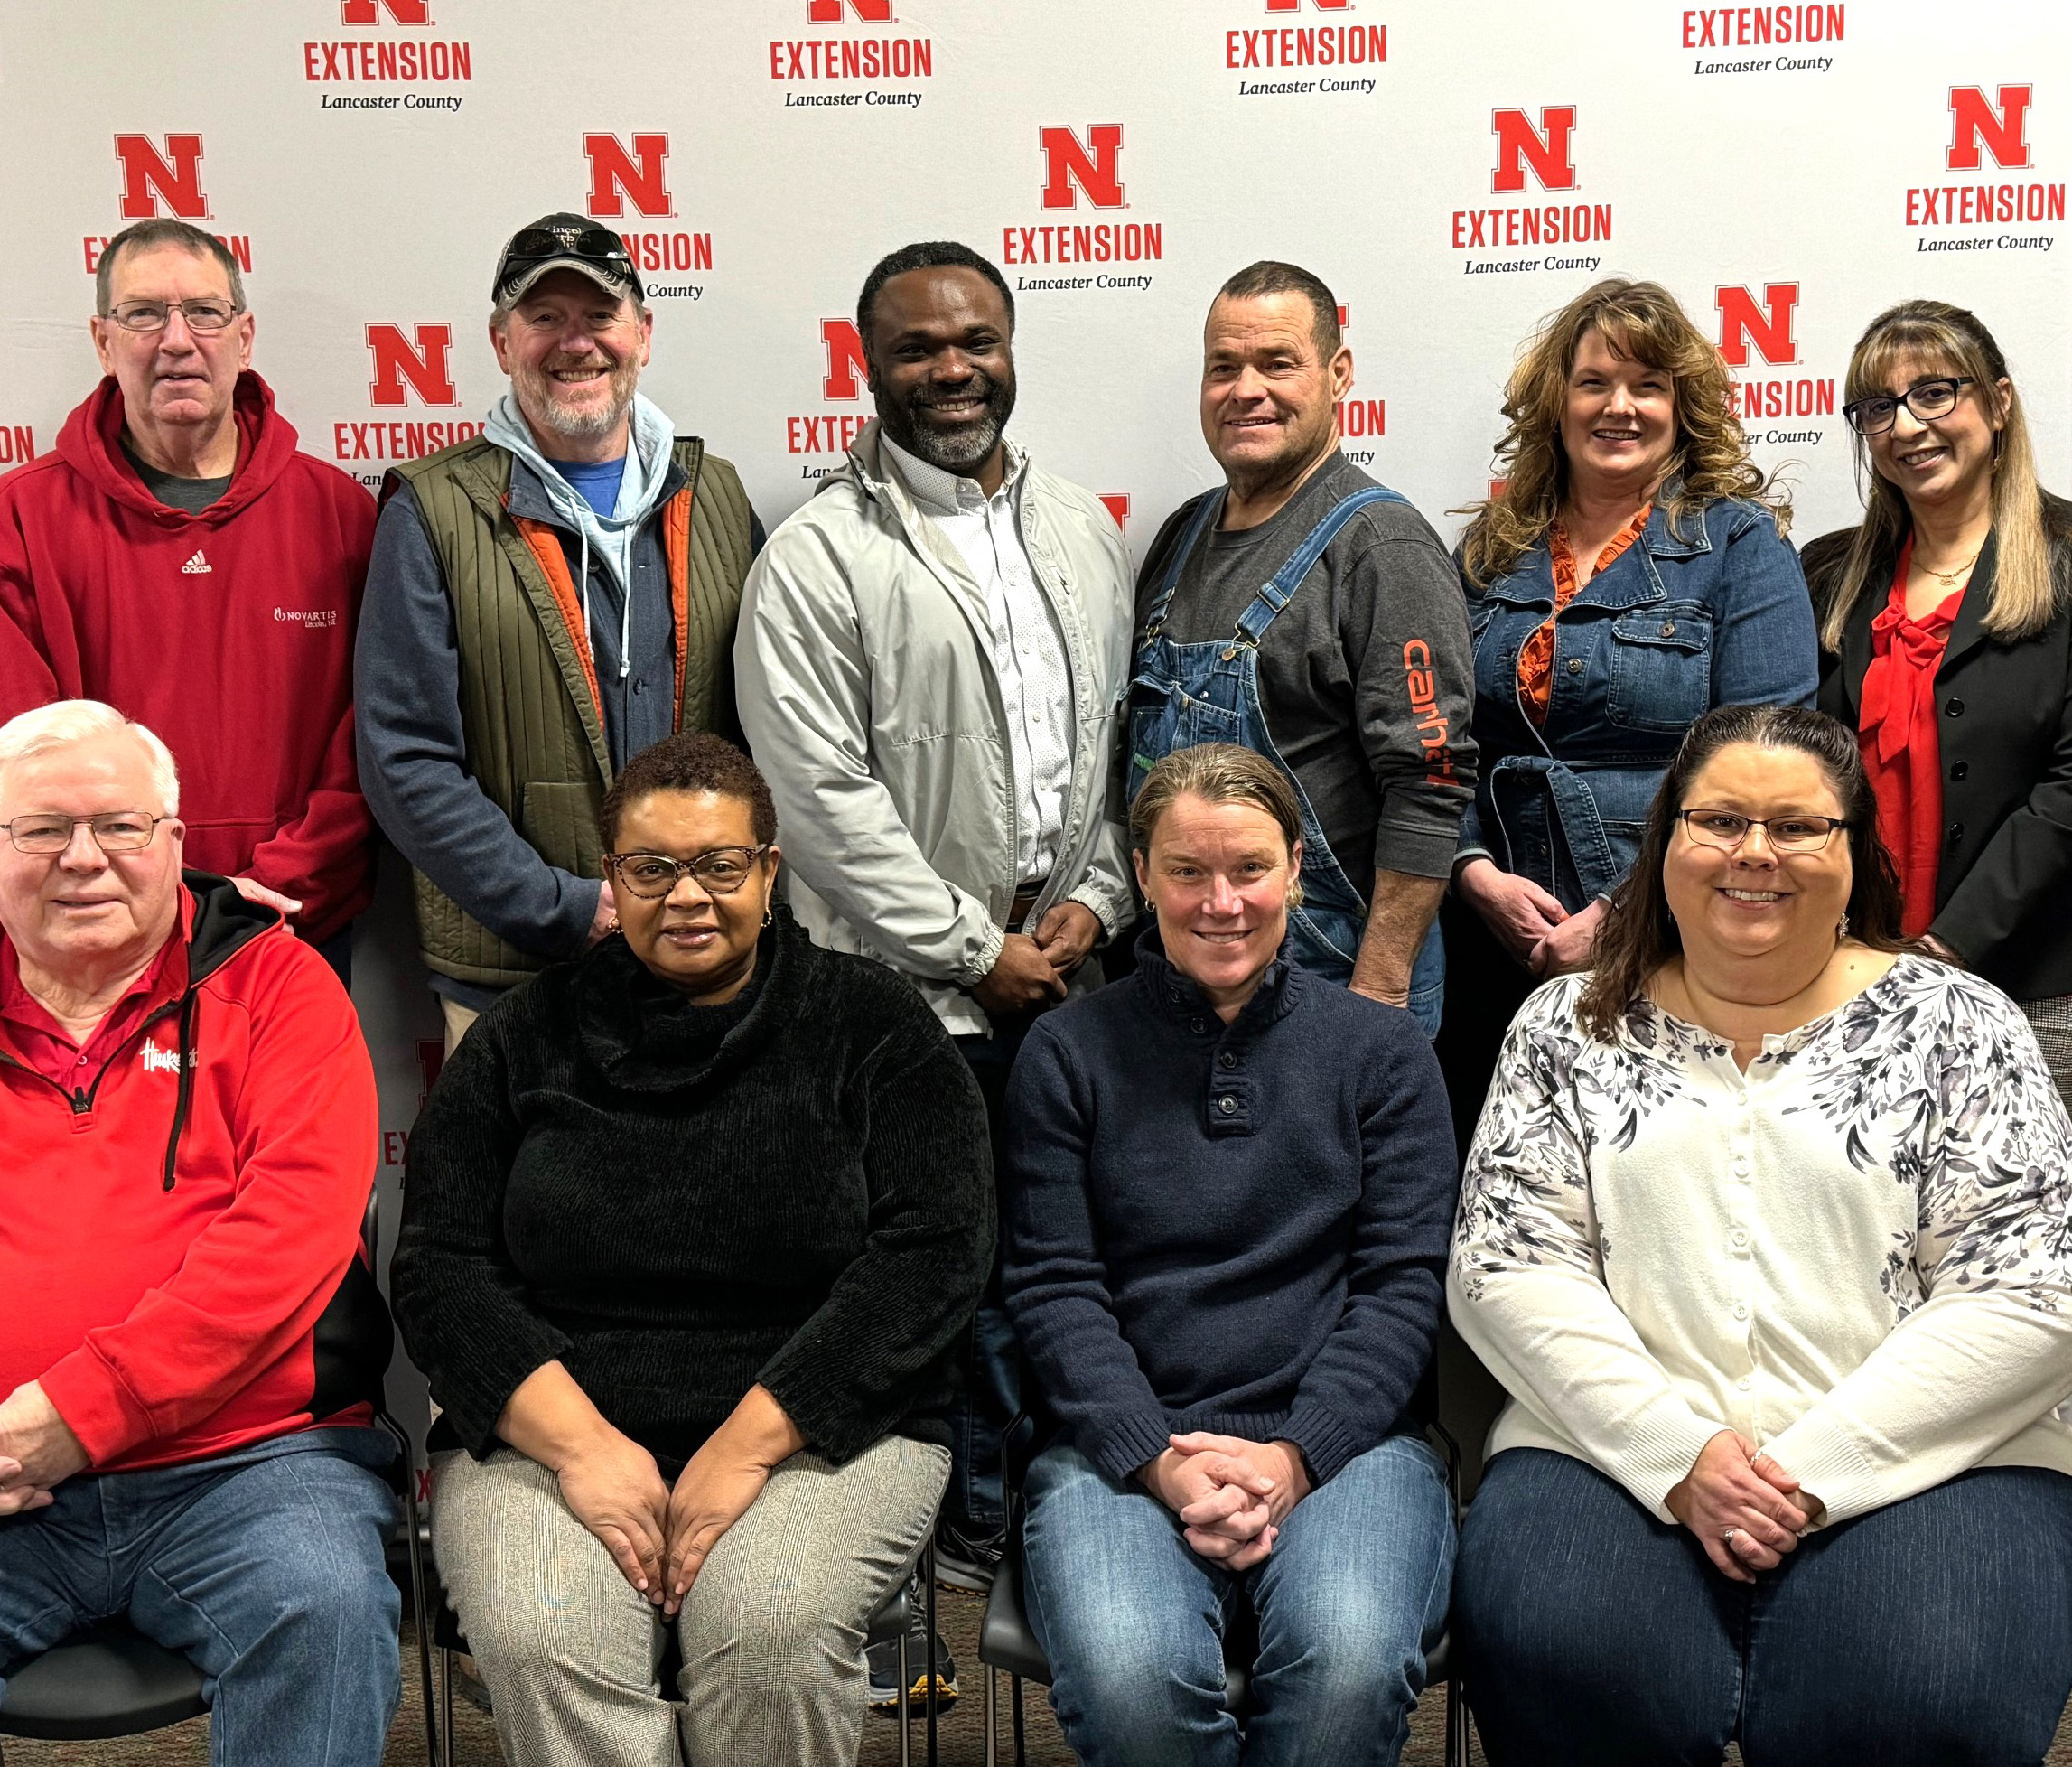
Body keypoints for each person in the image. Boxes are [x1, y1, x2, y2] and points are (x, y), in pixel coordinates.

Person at [1449, 703, 2072, 1767]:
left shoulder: (1960, 1023)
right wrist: (1678, 1455)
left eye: (1799, 826)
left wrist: (1812, 1467)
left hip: (1943, 1456)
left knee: (1913, 1698)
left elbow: (2051, 1293)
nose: (1753, 852)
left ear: (1854, 852)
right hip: (1612, 1443)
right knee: (1573, 1661)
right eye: (1717, 819)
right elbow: (1506, 1268)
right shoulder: (1566, 1026)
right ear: (1665, 839)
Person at [388, 732, 994, 1767]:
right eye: (651, 869)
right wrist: (585, 1449)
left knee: (769, 1633)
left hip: (819, 1428)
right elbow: (441, 1269)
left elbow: (932, 1258)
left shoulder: (874, 1023)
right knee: (545, 1636)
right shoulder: (520, 1037)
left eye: (719, 865)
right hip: (555, 1428)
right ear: (611, 878)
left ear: (768, 868)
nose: (687, 897)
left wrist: (742, 1446)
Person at [0, 700, 397, 1766]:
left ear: (174, 845)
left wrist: (80, 1411)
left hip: (246, 1467)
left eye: (120, 826)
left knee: (320, 1609)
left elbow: (288, 1242)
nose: (83, 859)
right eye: (41, 831)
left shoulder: (278, 993)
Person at [735, 241, 1135, 1603]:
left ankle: (1048, 1521)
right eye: (916, 347)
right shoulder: (815, 556)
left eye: (975, 339)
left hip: (1075, 978)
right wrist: (976, 950)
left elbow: (1117, 748)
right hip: (908, 999)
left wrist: (1094, 899)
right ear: (867, 367)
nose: (950, 368)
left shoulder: (1079, 523)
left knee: (1062, 1264)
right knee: (932, 1280)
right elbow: (819, 796)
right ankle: (943, 1538)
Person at [1005, 742, 1459, 1767]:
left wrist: (1297, 1455)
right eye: (1187, 872)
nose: (1222, 902)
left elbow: (1399, 1288)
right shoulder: (1068, 1054)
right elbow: (1054, 1287)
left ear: (1296, 869)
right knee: (1131, 1680)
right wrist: (1158, 1462)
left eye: (1250, 869)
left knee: (1345, 1662)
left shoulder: (1381, 1054)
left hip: (1349, 1444)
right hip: (1120, 1448)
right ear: (1140, 877)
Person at [1804, 298, 2072, 1601]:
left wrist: (1940, 956)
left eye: (1934, 392)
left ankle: (2049, 1501)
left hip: (2025, 972)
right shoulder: (1830, 574)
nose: (1906, 426)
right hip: (1846, 978)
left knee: (2016, 1249)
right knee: (1867, 1245)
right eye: (1876, 407)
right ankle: (1892, 1499)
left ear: (1997, 400)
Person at [356, 214, 763, 1049]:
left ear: (643, 334)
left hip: (708, 966)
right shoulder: (431, 511)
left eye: (600, 315)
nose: (575, 343)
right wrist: (567, 907)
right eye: (544, 319)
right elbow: (404, 753)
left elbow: (776, 732)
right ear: (502, 344)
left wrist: (706, 894)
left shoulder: (716, 495)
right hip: (514, 983)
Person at [1438, 277, 1819, 1143]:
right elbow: (1438, 737)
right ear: (1555, 403)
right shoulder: (1490, 552)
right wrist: (1472, 871)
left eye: (1648, 385)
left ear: (1682, 407)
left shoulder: (1738, 544)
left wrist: (1621, 911)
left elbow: (1766, 763)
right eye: (1593, 383)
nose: (1620, 407)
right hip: (1493, 941)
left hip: (1676, 938)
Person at [0, 220, 377, 976]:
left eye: (205, 313)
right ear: (101, 339)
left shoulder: (341, 516)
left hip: (289, 929)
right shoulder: (19, 522)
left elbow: (377, 740)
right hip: (99, 935)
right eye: (143, 314)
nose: (176, 339)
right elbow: (14, 769)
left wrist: (274, 884)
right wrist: (141, 897)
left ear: (244, 339)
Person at [1133, 260, 1474, 1036]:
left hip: (1333, 976)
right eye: (1224, 366)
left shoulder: (1381, 547)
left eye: (1277, 363)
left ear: (1337, 373)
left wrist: (1379, 994)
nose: (1245, 389)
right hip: (1181, 973)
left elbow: (1430, 784)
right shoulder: (1180, 537)